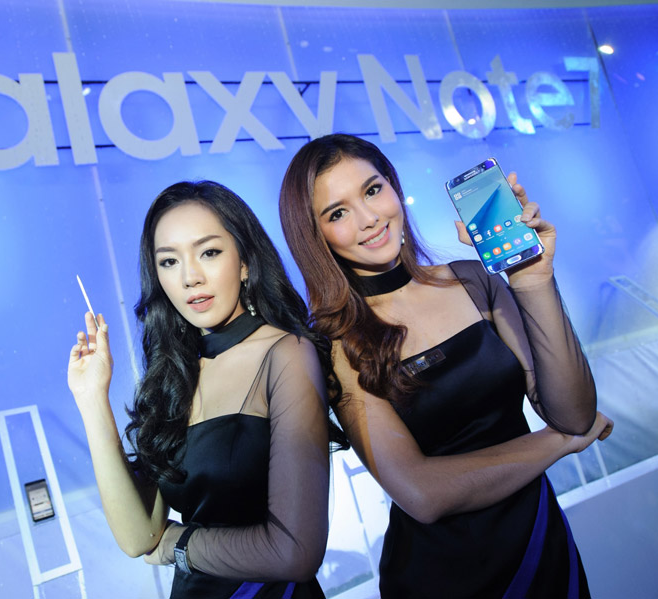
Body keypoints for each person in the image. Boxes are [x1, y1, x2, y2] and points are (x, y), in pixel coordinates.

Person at [277, 134, 614, 599]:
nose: (369, 218)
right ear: (315, 238)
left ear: (394, 186)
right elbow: (422, 494)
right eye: (338, 213)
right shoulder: (336, 345)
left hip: (540, 543)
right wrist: (558, 443)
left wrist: (532, 280)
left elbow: (574, 413)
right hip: (441, 576)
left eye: (373, 190)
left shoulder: (474, 281)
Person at [67, 180, 347, 598]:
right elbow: (138, 538)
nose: (190, 277)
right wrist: (92, 400)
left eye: (209, 252)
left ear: (245, 262)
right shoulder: (172, 376)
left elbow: (296, 554)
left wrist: (178, 545)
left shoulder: (286, 353)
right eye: (169, 262)